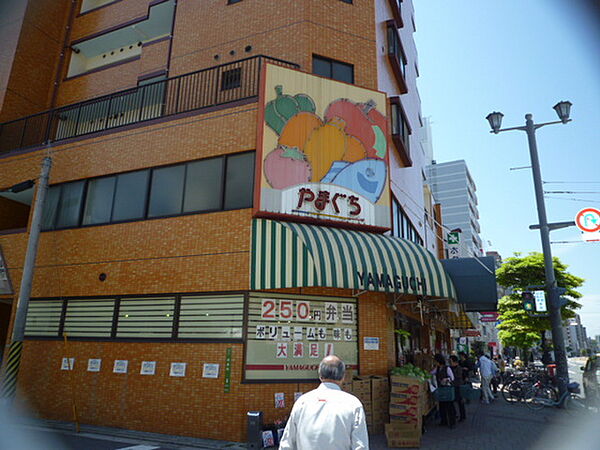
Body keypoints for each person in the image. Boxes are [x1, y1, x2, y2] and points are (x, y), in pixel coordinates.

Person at [279, 355, 369, 450]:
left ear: (320, 376)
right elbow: (360, 446)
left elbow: (286, 444)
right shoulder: (353, 404)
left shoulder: (302, 402)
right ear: (343, 377)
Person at [432, 354, 456, 428]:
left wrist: (446, 379)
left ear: (438, 361)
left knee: (449, 406)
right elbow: (431, 373)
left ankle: (452, 422)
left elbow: (452, 378)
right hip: (441, 389)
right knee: (442, 405)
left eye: (435, 361)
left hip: (447, 389)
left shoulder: (447, 368)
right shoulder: (437, 368)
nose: (434, 362)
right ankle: (444, 421)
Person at [449, 355, 466, 422]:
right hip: (453, 386)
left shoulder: (458, 368)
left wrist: (451, 376)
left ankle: (462, 416)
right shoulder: (450, 368)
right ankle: (455, 414)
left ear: (454, 361)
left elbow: (458, 376)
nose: (450, 362)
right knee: (454, 401)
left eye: (450, 361)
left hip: (458, 386)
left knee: (460, 401)